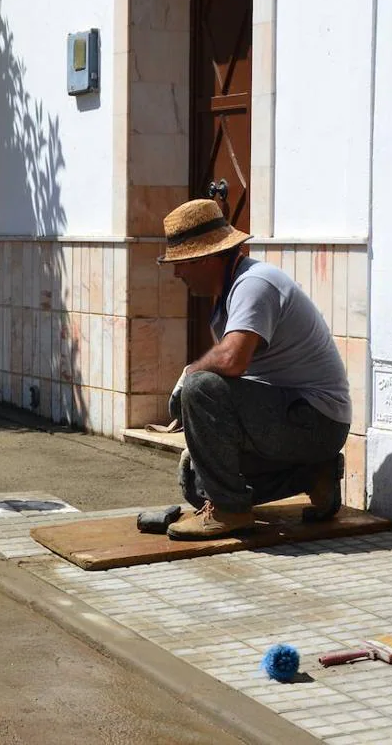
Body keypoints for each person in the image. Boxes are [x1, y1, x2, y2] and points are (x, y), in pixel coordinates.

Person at [158, 199, 351, 540]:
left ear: (206, 258)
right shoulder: (230, 293)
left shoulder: (255, 284)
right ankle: (316, 474)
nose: (177, 274)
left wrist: (190, 373)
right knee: (196, 481)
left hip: (314, 420)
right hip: (293, 419)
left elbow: (232, 362)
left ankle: (231, 513)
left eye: (182, 263)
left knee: (201, 385)